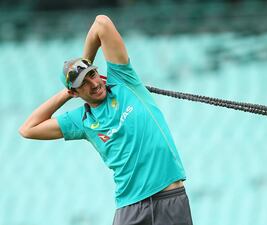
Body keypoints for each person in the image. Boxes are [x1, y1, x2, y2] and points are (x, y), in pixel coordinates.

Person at [19, 15, 193, 225]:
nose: (93, 83)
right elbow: (28, 129)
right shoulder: (81, 120)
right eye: (84, 83)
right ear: (75, 93)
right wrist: (66, 93)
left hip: (169, 199)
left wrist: (83, 64)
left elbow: (101, 23)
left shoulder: (124, 81)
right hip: (130, 207)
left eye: (92, 74)